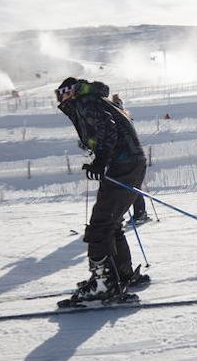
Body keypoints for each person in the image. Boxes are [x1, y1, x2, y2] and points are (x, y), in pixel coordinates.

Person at [55, 77, 149, 303]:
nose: (61, 99)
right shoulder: (95, 100)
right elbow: (107, 129)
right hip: (129, 163)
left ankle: (103, 285)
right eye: (58, 95)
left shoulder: (86, 101)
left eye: (63, 93)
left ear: (73, 90)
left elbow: (108, 128)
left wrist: (100, 160)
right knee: (111, 222)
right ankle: (121, 273)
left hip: (123, 164)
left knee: (99, 225)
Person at [111, 93, 149, 225]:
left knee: (129, 187)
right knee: (128, 187)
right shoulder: (125, 117)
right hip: (127, 156)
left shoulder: (120, 118)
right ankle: (129, 214)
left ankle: (137, 213)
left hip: (126, 157)